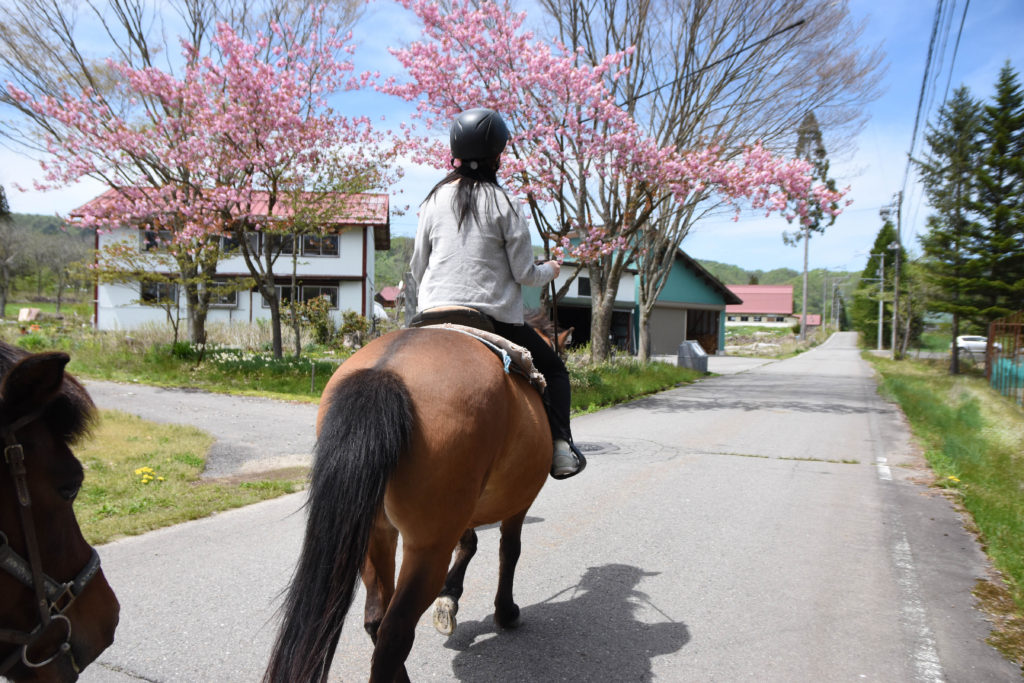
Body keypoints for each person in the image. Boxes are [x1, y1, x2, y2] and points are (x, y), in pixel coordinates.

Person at [409, 107, 585, 480]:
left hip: (430, 316)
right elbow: (524, 274)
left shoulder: (432, 200)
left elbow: (416, 267)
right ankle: (560, 448)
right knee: (554, 371)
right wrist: (550, 270)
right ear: (497, 156)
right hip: (491, 320)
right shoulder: (505, 203)